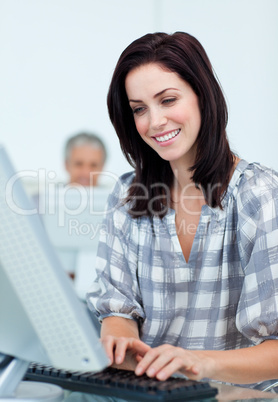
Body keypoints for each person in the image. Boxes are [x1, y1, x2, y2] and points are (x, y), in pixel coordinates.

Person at [86, 32, 278, 390]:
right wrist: (118, 333)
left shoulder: (260, 195)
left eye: (168, 100)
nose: (154, 122)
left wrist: (198, 361)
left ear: (203, 97)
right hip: (149, 394)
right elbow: (117, 311)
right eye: (139, 108)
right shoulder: (129, 195)